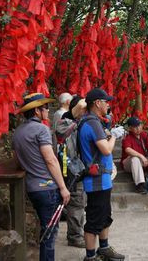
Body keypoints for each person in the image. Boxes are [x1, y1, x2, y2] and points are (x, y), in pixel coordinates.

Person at [13, 93, 70, 261]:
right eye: (45, 108)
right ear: (37, 111)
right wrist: (63, 187)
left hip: (32, 188)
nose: (47, 110)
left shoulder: (18, 132)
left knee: (46, 231)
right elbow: (51, 159)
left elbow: (18, 161)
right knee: (49, 235)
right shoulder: (41, 129)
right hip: (48, 188)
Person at [79, 88, 125, 261]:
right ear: (97, 103)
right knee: (94, 220)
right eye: (106, 101)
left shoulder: (92, 122)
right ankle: (90, 257)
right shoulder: (92, 123)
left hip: (102, 179)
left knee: (105, 216)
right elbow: (105, 149)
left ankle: (104, 249)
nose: (108, 104)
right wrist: (113, 136)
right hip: (96, 180)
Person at [55, 95, 88, 248]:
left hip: (79, 170)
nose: (86, 111)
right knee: (75, 203)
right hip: (69, 170)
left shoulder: (82, 122)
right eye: (83, 108)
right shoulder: (65, 122)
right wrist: (77, 119)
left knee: (79, 203)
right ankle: (74, 236)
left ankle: (77, 233)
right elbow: (61, 133)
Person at [121, 116, 148, 195]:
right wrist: (141, 156)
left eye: (139, 125)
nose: (138, 128)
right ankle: (140, 185)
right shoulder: (127, 137)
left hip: (142, 162)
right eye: (135, 127)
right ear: (130, 128)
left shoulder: (143, 135)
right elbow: (127, 149)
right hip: (128, 164)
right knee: (135, 158)